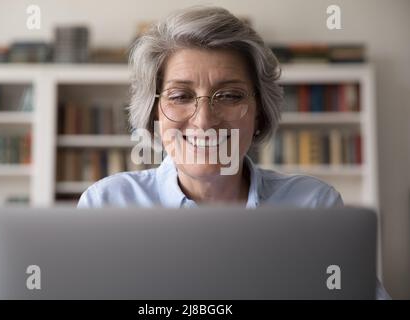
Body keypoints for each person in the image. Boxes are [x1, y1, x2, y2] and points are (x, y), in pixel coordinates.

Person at [77, 6, 389, 299]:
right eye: (181, 95)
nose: (204, 120)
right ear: (154, 114)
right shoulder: (106, 205)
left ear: (259, 114)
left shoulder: (314, 206)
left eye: (229, 95)